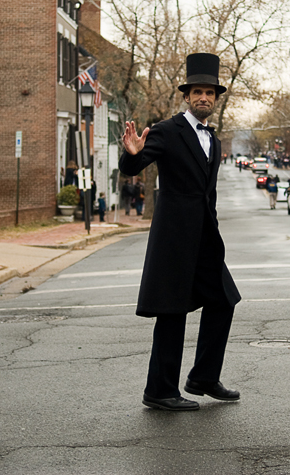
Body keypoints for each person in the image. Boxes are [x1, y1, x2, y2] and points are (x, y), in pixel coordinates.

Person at [119, 52, 241, 412]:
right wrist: (131, 154)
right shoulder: (168, 131)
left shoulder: (213, 140)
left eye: (210, 93)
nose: (203, 97)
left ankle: (203, 376)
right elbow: (135, 163)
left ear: (216, 98)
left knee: (224, 300)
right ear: (186, 96)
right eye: (197, 92)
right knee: (171, 311)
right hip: (174, 237)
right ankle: (159, 390)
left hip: (204, 239)